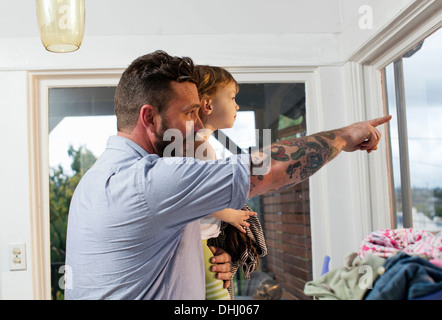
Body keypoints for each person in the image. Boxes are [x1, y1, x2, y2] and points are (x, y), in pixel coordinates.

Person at [65, 50, 391, 300]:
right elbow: (267, 169)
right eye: (189, 113)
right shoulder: (148, 181)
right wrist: (346, 135)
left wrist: (200, 257)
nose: (197, 123)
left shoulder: (96, 180)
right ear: (149, 118)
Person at [193, 65, 266, 300]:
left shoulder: (196, 144)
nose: (237, 106)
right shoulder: (201, 148)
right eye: (232, 98)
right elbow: (197, 198)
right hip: (201, 247)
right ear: (208, 105)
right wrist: (232, 216)